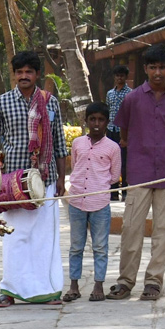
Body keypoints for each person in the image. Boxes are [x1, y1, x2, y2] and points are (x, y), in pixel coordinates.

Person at [0, 51, 69, 305]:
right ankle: (9, 291)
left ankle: (49, 290)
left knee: (45, 238)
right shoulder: (2, 103)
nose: (24, 76)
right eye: (19, 72)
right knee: (15, 237)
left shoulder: (50, 102)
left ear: (36, 75)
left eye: (29, 72)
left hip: (46, 180)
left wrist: (62, 181)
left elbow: (59, 144)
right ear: (14, 74)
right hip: (14, 183)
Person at [108, 43, 165, 301]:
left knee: (164, 229)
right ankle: (125, 281)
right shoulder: (131, 99)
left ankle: (154, 282)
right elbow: (124, 134)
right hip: (139, 172)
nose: (157, 72)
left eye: (162, 67)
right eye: (152, 67)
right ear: (145, 69)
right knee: (131, 228)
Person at [64, 102, 121, 303]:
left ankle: (98, 285)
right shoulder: (78, 143)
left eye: (101, 120)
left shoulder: (113, 148)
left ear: (106, 122)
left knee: (100, 246)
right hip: (77, 199)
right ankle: (74, 286)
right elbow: (74, 165)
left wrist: (98, 184)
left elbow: (114, 177)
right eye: (92, 119)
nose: (96, 123)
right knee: (76, 246)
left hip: (100, 203)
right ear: (86, 121)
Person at [105, 65, 133, 201]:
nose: (119, 78)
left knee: (124, 162)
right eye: (117, 75)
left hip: (124, 132)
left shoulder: (130, 94)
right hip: (111, 130)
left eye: (122, 75)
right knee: (111, 162)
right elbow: (108, 111)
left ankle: (126, 191)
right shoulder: (110, 93)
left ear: (126, 77)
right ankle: (113, 192)